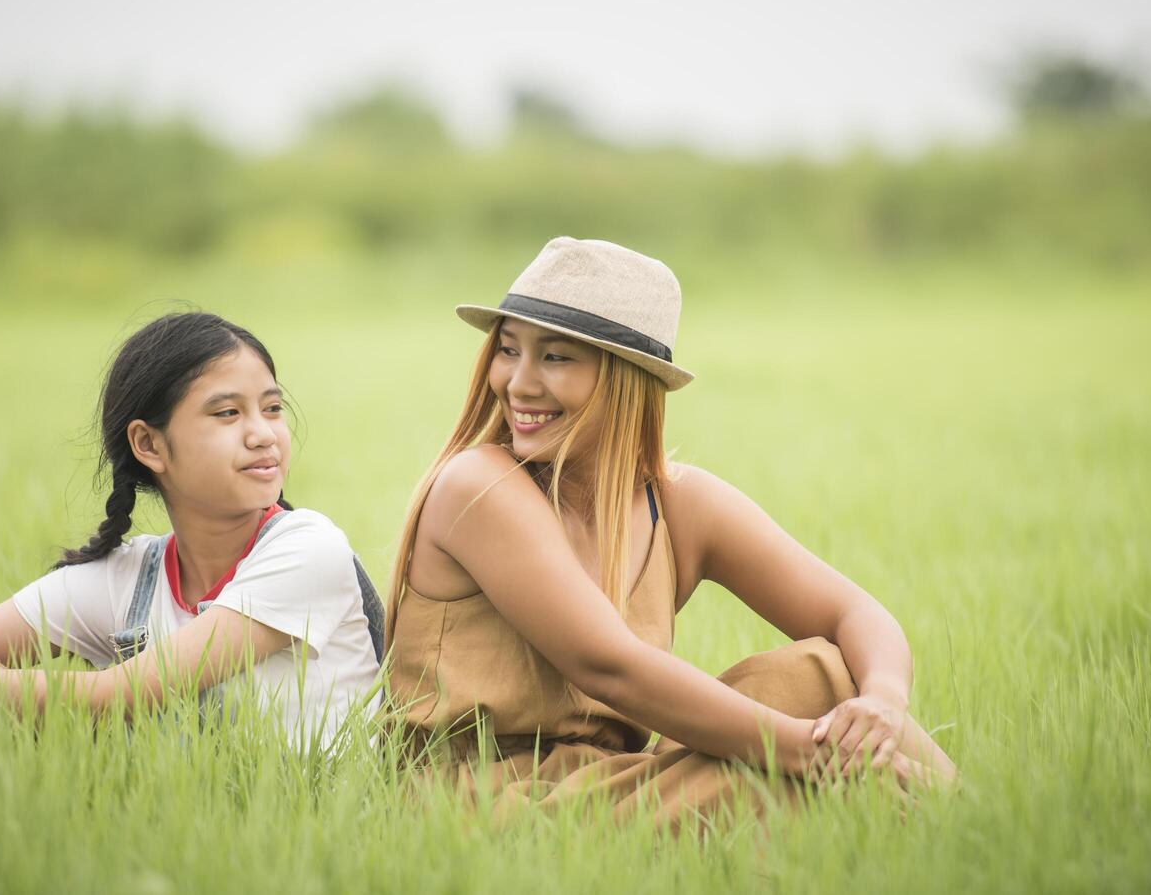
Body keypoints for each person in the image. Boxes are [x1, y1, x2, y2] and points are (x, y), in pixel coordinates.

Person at [386, 237, 956, 824]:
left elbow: (854, 614)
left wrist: (883, 703)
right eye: (508, 350)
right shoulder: (478, 484)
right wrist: (814, 755)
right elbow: (609, 667)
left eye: (555, 357)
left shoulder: (678, 503)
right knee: (808, 785)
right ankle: (962, 827)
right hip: (482, 803)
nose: (519, 383)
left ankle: (967, 826)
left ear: (626, 379)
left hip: (613, 784)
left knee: (823, 674)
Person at [0, 312, 383, 749]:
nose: (263, 435)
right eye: (227, 414)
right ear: (149, 445)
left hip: (315, 819)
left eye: (271, 409)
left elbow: (120, 695)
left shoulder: (308, 548)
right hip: (175, 833)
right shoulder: (128, 576)